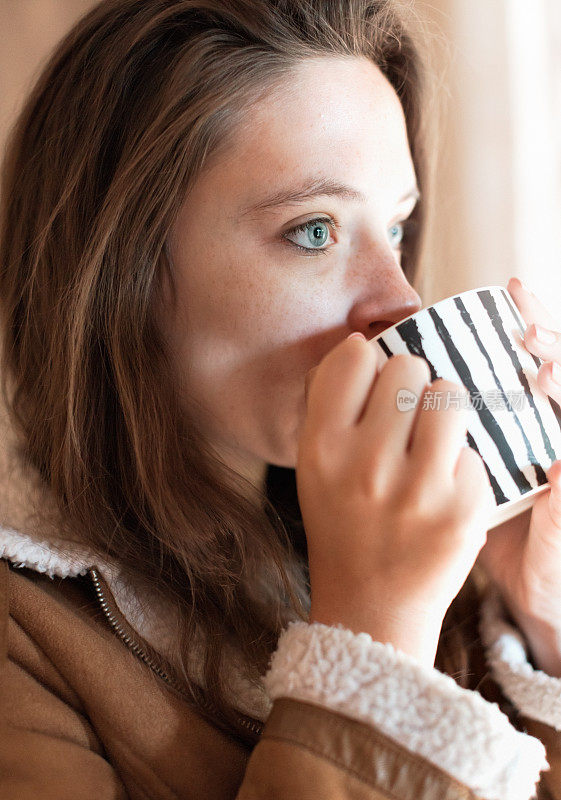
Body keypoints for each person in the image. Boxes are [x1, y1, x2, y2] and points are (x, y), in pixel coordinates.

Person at [1, 0, 561, 797]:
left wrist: (539, 620)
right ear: (118, 278)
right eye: (313, 231)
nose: (400, 299)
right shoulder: (25, 648)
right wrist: (373, 640)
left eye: (395, 228)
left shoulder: (440, 573)